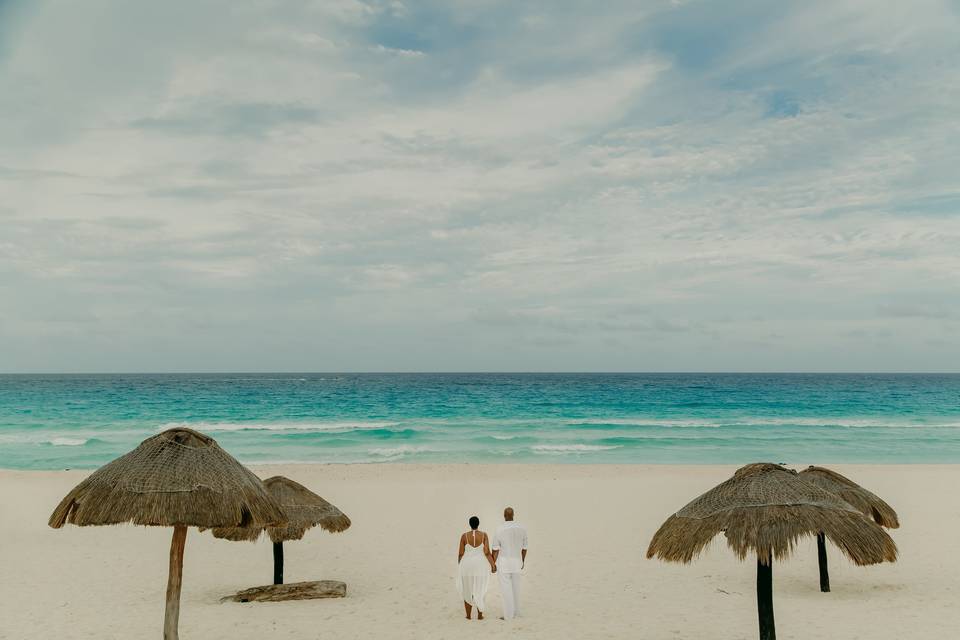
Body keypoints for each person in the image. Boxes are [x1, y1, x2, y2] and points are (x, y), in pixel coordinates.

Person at [491, 506, 528, 620]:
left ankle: (508, 615)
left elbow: (495, 549)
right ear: (513, 515)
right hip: (517, 561)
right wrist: (522, 561)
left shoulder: (499, 529)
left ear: (504, 516)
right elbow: (524, 548)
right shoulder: (522, 528)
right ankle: (517, 612)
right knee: (516, 588)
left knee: (506, 589)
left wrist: (493, 564)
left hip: (504, 563)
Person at [457, 515, 496, 620]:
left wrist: (460, 566)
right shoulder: (484, 535)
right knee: (481, 588)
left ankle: (468, 616)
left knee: (467, 589)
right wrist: (493, 565)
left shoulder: (464, 536)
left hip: (467, 565)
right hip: (480, 565)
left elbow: (461, 553)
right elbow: (487, 552)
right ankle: (480, 615)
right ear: (478, 524)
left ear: (470, 524)